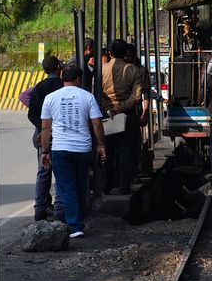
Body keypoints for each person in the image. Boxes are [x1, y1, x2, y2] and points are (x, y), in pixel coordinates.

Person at [39, 64, 106, 238]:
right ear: (78, 79)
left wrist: (45, 151)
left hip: (60, 149)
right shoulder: (88, 97)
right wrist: (101, 145)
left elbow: (45, 128)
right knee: (80, 185)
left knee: (67, 188)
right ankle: (77, 220)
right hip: (82, 149)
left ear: (62, 76)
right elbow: (97, 124)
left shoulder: (51, 98)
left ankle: (75, 225)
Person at [100, 39, 144, 195]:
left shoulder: (101, 69)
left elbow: (97, 93)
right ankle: (123, 186)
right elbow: (136, 96)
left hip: (107, 117)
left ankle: (106, 186)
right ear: (126, 52)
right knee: (126, 152)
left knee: (107, 152)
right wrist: (121, 108)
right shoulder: (133, 70)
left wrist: (109, 108)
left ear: (109, 53)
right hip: (128, 116)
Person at [27, 56, 65, 221]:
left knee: (43, 171)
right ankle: (59, 209)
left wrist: (43, 130)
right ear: (58, 67)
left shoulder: (39, 87)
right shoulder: (63, 86)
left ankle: (40, 208)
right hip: (61, 134)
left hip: (43, 135)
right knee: (62, 172)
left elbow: (31, 113)